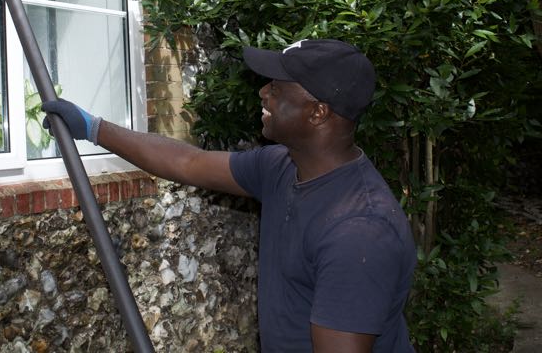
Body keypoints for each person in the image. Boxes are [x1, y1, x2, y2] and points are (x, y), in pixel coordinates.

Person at [42, 39, 416, 353]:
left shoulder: (359, 231)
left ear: (318, 112)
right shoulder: (281, 167)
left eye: (278, 87)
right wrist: (95, 128)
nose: (263, 92)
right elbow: (189, 161)